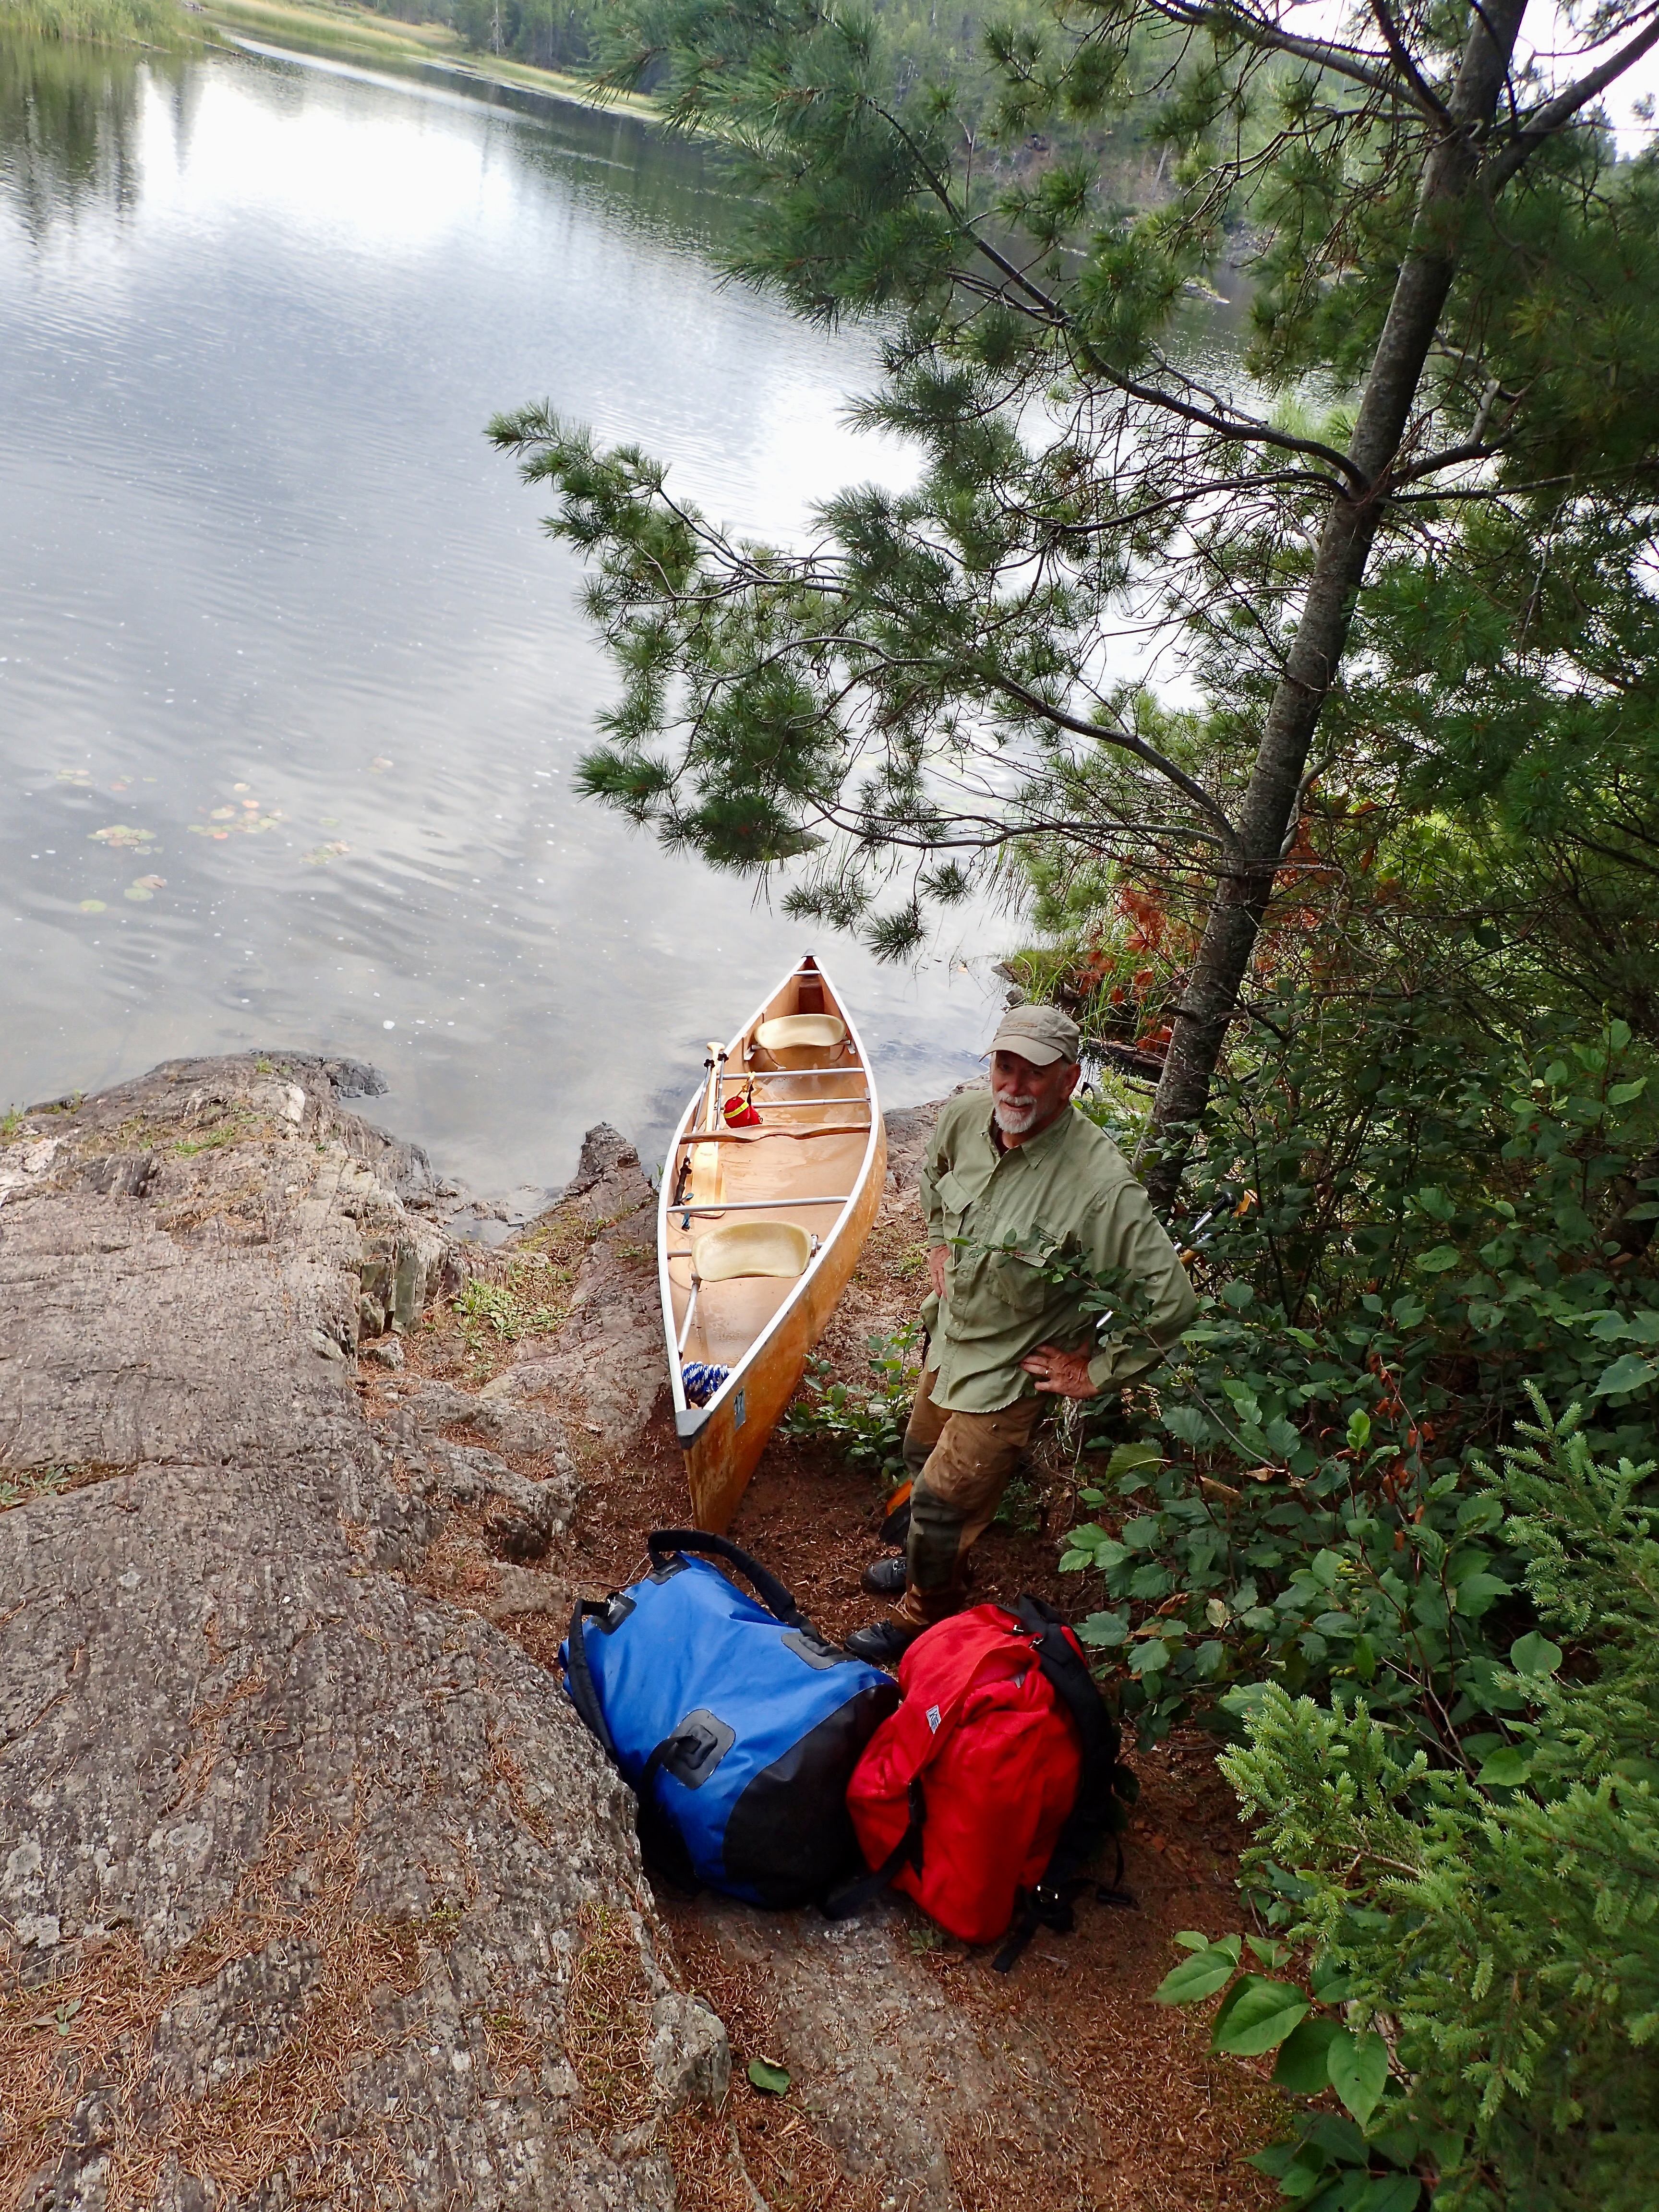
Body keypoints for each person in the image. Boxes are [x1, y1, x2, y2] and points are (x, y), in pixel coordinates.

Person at [843, 1003, 1199, 1667]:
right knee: (920, 1456)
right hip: (952, 1339)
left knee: (945, 1504)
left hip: (1010, 1373)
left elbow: (1172, 1302)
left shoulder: (1099, 1188)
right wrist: (938, 1241)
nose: (1013, 1085)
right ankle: (937, 1565)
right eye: (1005, 1065)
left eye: (1034, 1073)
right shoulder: (964, 1118)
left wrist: (1095, 1372)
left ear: (1069, 1080)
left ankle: (926, 1614)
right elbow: (934, 1175)